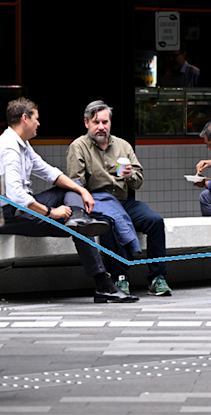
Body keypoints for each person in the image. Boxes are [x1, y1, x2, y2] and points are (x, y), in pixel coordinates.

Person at [0, 98, 137, 304]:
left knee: (71, 190)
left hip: (21, 207)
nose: (39, 123)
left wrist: (81, 190)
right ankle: (104, 284)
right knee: (78, 227)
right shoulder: (10, 148)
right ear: (25, 118)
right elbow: (17, 197)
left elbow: (49, 172)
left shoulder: (22, 144)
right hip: (5, 215)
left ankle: (78, 218)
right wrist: (52, 212)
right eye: (36, 119)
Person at [66, 100, 172, 296]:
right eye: (96, 122)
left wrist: (130, 175)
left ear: (110, 123)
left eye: (105, 122)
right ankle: (119, 277)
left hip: (124, 201)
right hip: (97, 203)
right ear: (86, 123)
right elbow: (75, 185)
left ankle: (158, 278)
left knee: (155, 221)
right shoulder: (78, 147)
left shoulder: (123, 145)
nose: (101, 127)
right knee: (107, 224)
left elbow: (138, 181)